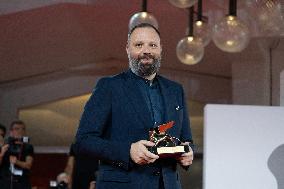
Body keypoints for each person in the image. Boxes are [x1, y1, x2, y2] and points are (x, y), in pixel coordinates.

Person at [75, 23, 194, 189]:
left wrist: (188, 153)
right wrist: (128, 151)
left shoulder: (175, 90)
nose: (146, 50)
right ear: (127, 49)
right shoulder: (109, 87)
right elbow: (83, 141)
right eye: (139, 45)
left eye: (152, 45)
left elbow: (186, 139)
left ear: (161, 49)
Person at [0, 120, 34, 189]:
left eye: (22, 129)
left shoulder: (28, 147)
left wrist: (17, 162)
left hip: (22, 182)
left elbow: (28, 165)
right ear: (11, 132)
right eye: (17, 129)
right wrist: (2, 153)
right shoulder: (4, 145)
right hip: (5, 182)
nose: (20, 131)